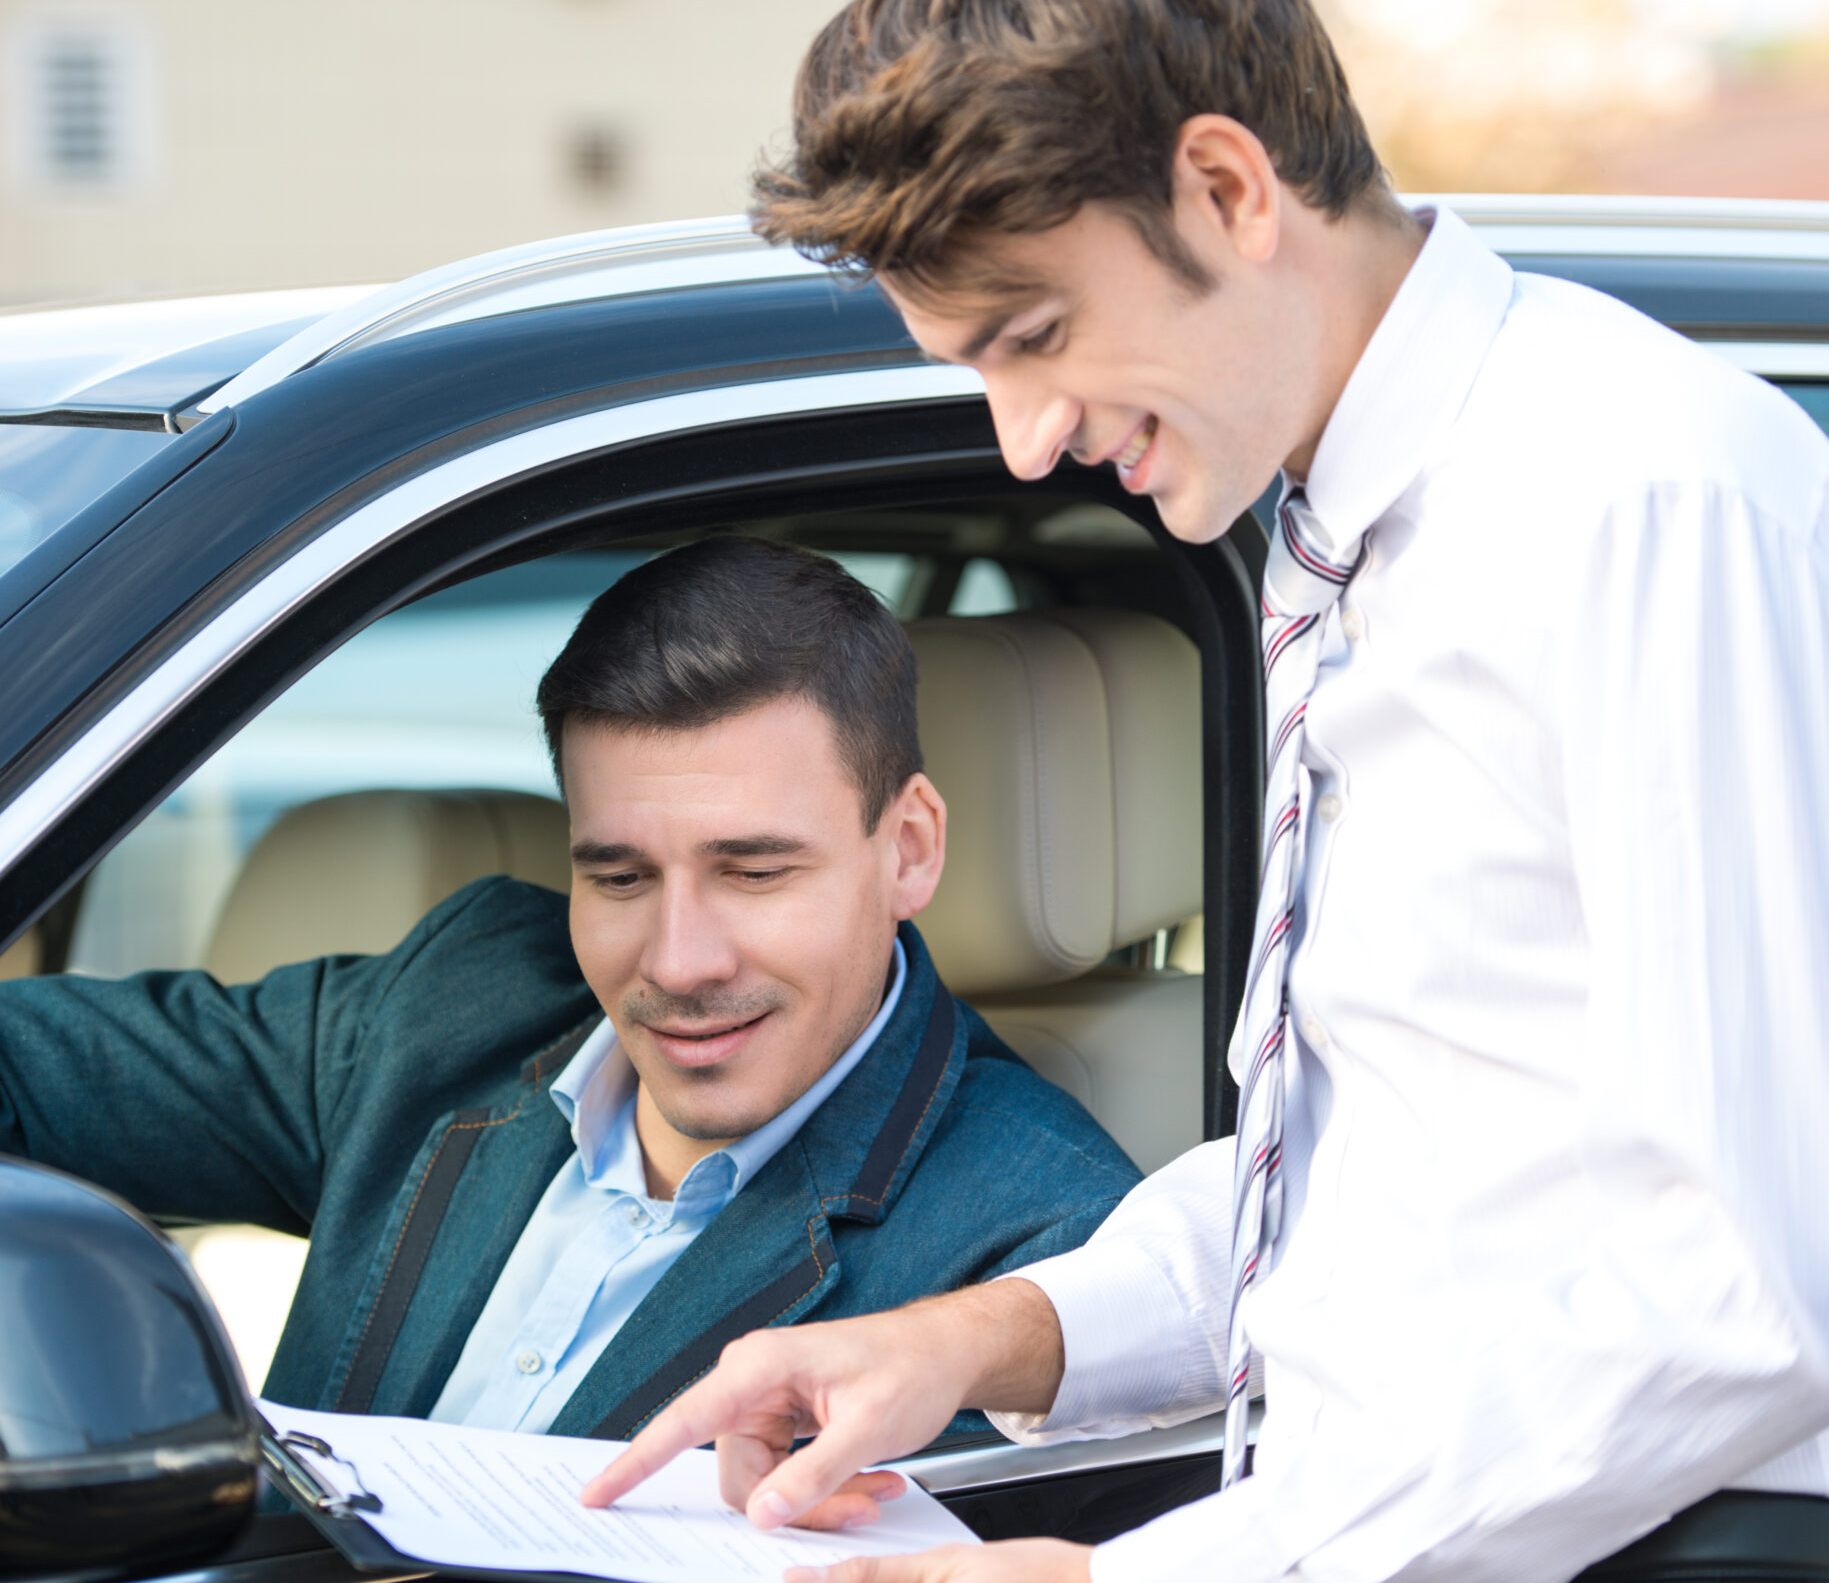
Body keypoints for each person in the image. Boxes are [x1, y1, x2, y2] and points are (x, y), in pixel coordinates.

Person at [590, 0, 1829, 1583]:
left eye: (1035, 333)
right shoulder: (1332, 535)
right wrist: (979, 1341)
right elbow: (1385, 1168)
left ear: (1229, 183)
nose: (1025, 431)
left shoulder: (1633, 496)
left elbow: (1749, 1266)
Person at [0, 535, 1138, 1443]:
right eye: (620, 875)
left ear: (909, 848)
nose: (680, 960)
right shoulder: (458, 999)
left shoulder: (1045, 1248)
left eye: (753, 871)